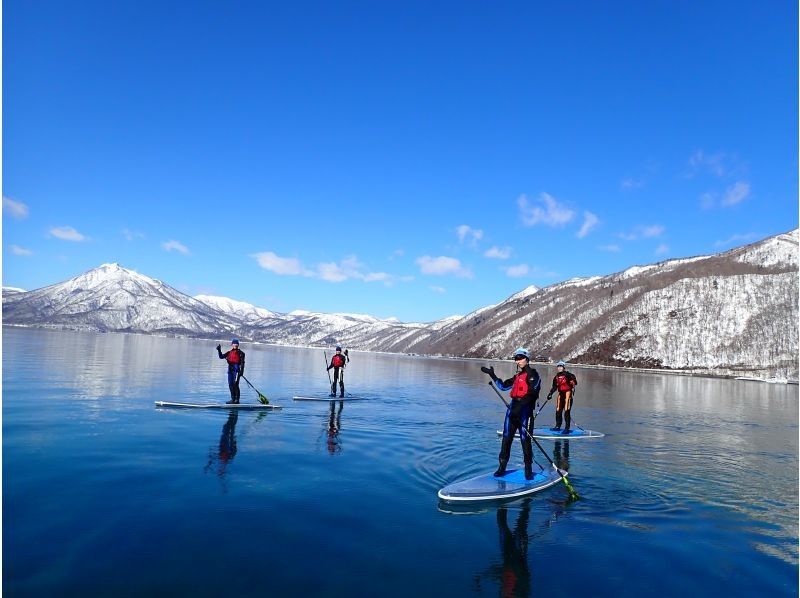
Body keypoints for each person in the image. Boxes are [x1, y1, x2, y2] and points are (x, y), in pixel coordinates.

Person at [481, 348, 541, 480]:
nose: (517, 361)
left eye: (520, 358)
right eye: (516, 359)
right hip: (512, 409)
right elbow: (503, 386)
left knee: (525, 440)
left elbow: (532, 394)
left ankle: (528, 469)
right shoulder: (517, 377)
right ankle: (502, 467)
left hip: (525, 412)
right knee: (506, 438)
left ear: (527, 359)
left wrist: (519, 409)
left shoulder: (534, 375)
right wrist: (492, 375)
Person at [547, 360, 577, 434]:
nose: (559, 368)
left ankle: (567, 428)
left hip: (568, 393)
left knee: (566, 410)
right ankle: (558, 426)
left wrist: (572, 380)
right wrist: (550, 394)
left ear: (564, 367)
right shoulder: (556, 377)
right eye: (558, 366)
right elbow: (554, 387)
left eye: (561, 366)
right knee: (558, 410)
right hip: (561, 394)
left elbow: (575, 382)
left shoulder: (568, 375)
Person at [217, 339, 245, 404]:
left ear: (238, 345)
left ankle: (237, 400)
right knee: (230, 384)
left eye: (236, 343)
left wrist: (241, 372)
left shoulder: (241, 353)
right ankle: (233, 399)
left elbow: (243, 363)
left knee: (235, 385)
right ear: (232, 345)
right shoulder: (229, 352)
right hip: (230, 370)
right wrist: (219, 350)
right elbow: (221, 357)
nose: (235, 344)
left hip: (236, 370)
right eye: (234, 343)